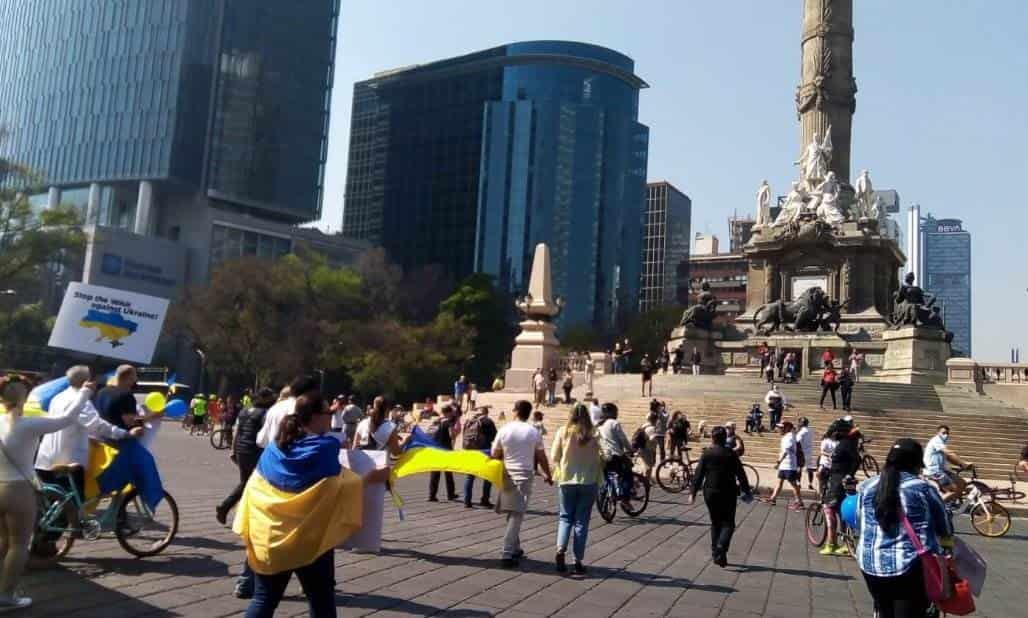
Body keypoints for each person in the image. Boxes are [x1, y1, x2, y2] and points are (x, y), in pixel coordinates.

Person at [239, 392, 389, 617]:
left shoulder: (273, 449)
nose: (331, 417)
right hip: (310, 538)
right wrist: (370, 479)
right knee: (321, 601)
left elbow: (254, 487)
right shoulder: (325, 447)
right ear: (315, 417)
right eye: (329, 412)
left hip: (269, 535)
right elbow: (338, 487)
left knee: (264, 600)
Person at [0, 374, 83, 611]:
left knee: (3, 542)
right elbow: (67, 418)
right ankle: (6, 596)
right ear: (24, 397)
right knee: (18, 545)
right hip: (19, 490)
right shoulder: (29, 424)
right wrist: (85, 392)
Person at [856, 439, 953, 618]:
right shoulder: (923, 488)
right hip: (908, 567)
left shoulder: (868, 486)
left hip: (869, 563)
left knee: (884, 610)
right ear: (916, 464)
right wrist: (948, 548)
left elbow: (860, 521)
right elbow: (944, 525)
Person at [35, 366, 134, 512]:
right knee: (72, 507)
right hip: (67, 459)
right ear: (86, 381)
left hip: (46, 458)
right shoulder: (80, 401)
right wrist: (124, 434)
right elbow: (97, 425)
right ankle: (63, 532)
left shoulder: (58, 397)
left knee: (51, 506)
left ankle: (47, 532)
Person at [218, 387, 275, 597]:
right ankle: (225, 508)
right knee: (248, 485)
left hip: (242, 450)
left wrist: (233, 449)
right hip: (255, 451)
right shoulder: (264, 414)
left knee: (245, 483)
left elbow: (237, 431)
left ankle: (228, 509)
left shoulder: (245, 411)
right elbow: (265, 437)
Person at [492, 400, 552, 568]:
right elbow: (541, 456)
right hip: (524, 474)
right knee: (517, 514)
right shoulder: (533, 432)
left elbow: (495, 453)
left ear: (516, 411)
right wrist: (548, 474)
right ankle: (507, 552)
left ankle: (515, 547)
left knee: (512, 512)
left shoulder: (505, 429)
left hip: (506, 473)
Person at [688, 426, 753, 567]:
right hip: (728, 492)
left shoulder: (707, 454)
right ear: (725, 439)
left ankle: (716, 554)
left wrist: (693, 492)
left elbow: (699, 474)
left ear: (712, 438)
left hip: (710, 492)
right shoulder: (731, 454)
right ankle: (720, 548)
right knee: (729, 523)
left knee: (715, 522)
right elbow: (741, 474)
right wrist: (746, 490)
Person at [549, 403, 602, 574]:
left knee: (565, 518)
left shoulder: (563, 431)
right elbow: (602, 455)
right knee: (581, 521)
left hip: (566, 480)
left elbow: (554, 456)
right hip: (589, 481)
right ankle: (578, 560)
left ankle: (560, 550)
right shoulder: (595, 433)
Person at [821, 419, 861, 555]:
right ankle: (846, 543)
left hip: (839, 482)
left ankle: (831, 543)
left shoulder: (845, 444)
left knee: (829, 508)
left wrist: (849, 474)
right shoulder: (847, 443)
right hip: (841, 480)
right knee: (842, 511)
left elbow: (857, 460)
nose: (833, 434)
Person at [256, 375, 320, 450]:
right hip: (295, 458)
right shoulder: (304, 410)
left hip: (272, 456)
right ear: (311, 392)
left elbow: (261, 441)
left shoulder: (274, 407)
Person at [923, 425, 971, 504]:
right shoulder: (936, 440)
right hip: (934, 471)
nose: (946, 435)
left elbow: (949, 458)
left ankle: (951, 503)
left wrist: (961, 465)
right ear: (938, 433)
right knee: (952, 490)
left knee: (962, 483)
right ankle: (936, 507)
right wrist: (963, 464)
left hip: (942, 470)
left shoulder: (942, 442)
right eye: (943, 433)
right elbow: (949, 453)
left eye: (947, 433)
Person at [596, 403, 633, 503]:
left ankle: (606, 491)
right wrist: (630, 449)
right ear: (612, 412)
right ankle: (625, 499)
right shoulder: (613, 423)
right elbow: (623, 439)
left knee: (606, 475)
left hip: (601, 456)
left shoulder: (598, 425)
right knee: (627, 475)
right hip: (614, 455)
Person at [761, 421, 802, 509]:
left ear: (787, 428)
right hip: (785, 465)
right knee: (779, 482)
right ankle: (773, 498)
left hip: (789, 465)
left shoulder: (790, 437)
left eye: (781, 427)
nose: (779, 429)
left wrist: (778, 462)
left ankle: (799, 502)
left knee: (794, 484)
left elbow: (785, 451)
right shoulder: (786, 436)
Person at [462, 406, 497, 508]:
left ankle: (467, 501)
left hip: (471, 451)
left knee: (470, 477)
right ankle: (485, 500)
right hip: (484, 451)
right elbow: (494, 436)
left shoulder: (470, 421)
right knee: (487, 476)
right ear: (487, 413)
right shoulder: (488, 421)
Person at [426, 404, 460, 502]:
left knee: (435, 473)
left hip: (436, 449)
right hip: (445, 449)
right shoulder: (449, 422)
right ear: (449, 412)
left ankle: (432, 495)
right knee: (448, 473)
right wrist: (454, 432)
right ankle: (451, 494)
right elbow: (451, 435)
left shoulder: (438, 421)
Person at [637, 411, 659, 481]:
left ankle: (642, 479)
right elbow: (652, 438)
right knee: (648, 467)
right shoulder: (652, 428)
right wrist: (656, 438)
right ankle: (646, 481)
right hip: (647, 449)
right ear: (654, 420)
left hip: (642, 448)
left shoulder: (644, 425)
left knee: (646, 466)